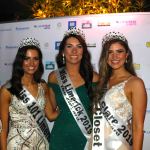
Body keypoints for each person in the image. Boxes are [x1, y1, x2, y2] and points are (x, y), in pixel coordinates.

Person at [0, 37, 59, 150]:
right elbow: (3, 129)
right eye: (27, 58)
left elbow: (51, 116)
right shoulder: (7, 90)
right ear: (20, 60)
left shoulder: (43, 86)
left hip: (42, 144)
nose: (31, 63)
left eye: (35, 59)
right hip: (17, 145)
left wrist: (66, 107)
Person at [91, 31, 147, 150]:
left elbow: (138, 127)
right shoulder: (101, 81)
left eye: (119, 51)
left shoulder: (135, 83)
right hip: (96, 143)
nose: (114, 56)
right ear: (105, 57)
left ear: (127, 55)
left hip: (120, 145)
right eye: (109, 52)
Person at [48, 27, 99, 150]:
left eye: (79, 46)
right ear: (63, 51)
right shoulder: (54, 77)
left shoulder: (95, 78)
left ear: (84, 51)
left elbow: (98, 113)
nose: (74, 51)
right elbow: (51, 111)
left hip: (86, 138)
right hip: (60, 137)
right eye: (69, 46)